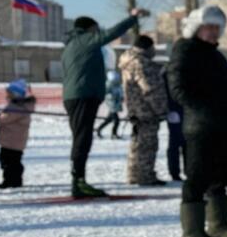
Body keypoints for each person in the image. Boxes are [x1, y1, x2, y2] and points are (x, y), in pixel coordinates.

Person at [166, 5, 227, 237]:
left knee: (220, 176)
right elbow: (178, 88)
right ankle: (191, 234)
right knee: (197, 177)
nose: (213, 32)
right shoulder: (185, 49)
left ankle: (219, 224)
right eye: (208, 27)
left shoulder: (215, 55)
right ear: (196, 27)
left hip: (223, 126)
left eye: (216, 27)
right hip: (200, 128)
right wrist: (204, 111)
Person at [61, 10, 143, 197]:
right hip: (83, 96)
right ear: (89, 29)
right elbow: (112, 33)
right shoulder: (85, 40)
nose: (97, 33)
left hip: (75, 96)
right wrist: (133, 18)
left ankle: (79, 180)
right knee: (82, 139)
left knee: (81, 137)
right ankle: (78, 182)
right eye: (96, 30)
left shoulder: (71, 45)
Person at [119, 35, 168, 186]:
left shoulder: (128, 61)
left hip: (135, 109)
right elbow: (150, 89)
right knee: (148, 145)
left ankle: (133, 174)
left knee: (137, 144)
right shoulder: (142, 63)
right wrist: (161, 110)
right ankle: (145, 176)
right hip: (146, 111)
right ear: (148, 47)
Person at [0, 79, 35, 189]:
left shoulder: (17, 107)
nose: (7, 95)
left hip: (12, 142)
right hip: (14, 141)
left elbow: (5, 119)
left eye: (9, 93)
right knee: (11, 161)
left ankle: (11, 181)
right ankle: (13, 180)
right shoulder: (19, 106)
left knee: (9, 162)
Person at [164, 70, 186, 182]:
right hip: (175, 109)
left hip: (186, 109)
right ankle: (174, 172)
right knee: (175, 142)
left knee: (187, 143)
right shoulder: (169, 70)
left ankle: (188, 171)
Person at [96, 70, 124, 139]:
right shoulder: (108, 84)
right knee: (117, 121)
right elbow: (105, 93)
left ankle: (99, 129)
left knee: (109, 120)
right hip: (112, 104)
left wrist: (121, 97)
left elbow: (119, 91)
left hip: (116, 104)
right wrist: (111, 97)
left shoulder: (117, 84)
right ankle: (114, 134)